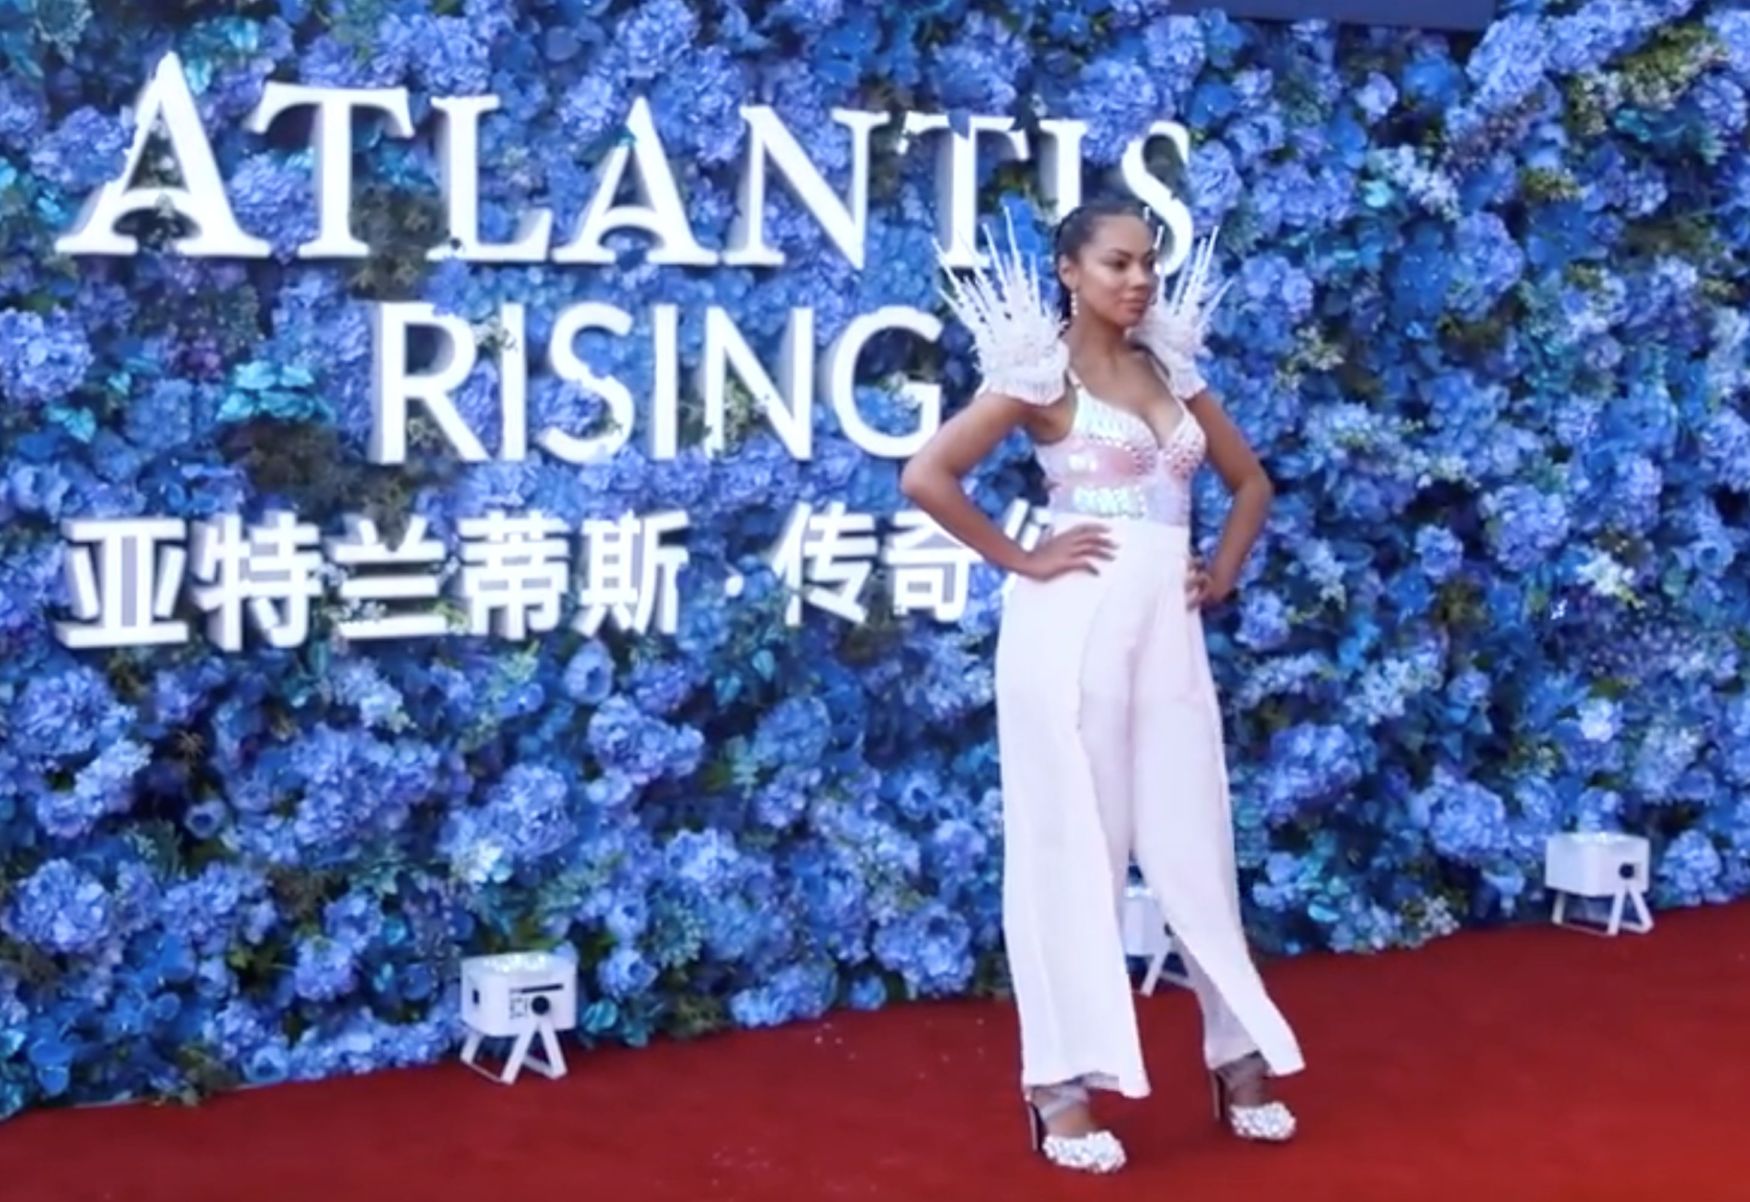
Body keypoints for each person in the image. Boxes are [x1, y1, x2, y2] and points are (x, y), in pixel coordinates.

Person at [899, 197, 1305, 1174]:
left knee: (1194, 840)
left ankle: (1238, 1054)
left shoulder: (1172, 368)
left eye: (1148, 263)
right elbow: (927, 475)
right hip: (1068, 633)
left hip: (1166, 633)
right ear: (1069, 271)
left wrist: (1221, 571)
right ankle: (1060, 1086)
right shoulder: (1039, 374)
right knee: (1070, 850)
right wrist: (1021, 558)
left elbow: (1250, 483)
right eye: (1117, 263)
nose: (1139, 280)